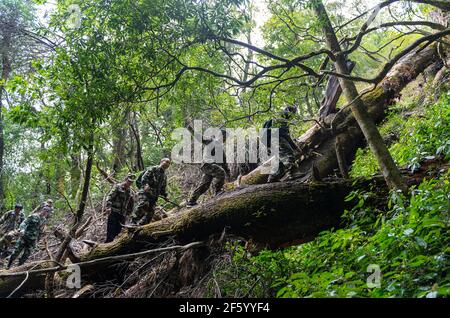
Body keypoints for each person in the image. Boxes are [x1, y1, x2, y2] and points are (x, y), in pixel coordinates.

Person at [186, 130, 230, 207]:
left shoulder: (221, 149)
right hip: (207, 164)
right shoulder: (211, 141)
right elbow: (201, 138)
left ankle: (191, 201)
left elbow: (224, 162)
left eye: (226, 138)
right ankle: (218, 191)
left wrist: (228, 173)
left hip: (211, 168)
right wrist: (191, 130)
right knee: (220, 172)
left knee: (205, 185)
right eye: (224, 137)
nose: (224, 139)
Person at [263, 105, 301, 183]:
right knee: (289, 155)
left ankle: (272, 177)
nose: (293, 115)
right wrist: (295, 146)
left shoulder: (277, 116)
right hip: (277, 138)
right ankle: (292, 173)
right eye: (294, 113)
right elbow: (285, 134)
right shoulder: (283, 117)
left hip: (270, 140)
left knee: (280, 159)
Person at [132, 158, 171, 225]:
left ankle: (142, 225)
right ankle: (133, 222)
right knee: (144, 204)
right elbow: (144, 178)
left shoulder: (164, 176)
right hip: (145, 192)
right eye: (166, 162)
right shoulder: (153, 169)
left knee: (151, 212)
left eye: (169, 163)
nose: (167, 164)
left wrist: (165, 196)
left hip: (154, 196)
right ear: (161, 161)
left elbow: (163, 188)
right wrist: (146, 185)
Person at [105, 174, 135, 243]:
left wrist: (129, 213)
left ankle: (112, 244)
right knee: (111, 230)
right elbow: (109, 197)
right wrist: (108, 207)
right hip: (114, 211)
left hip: (122, 214)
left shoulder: (130, 191)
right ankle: (108, 244)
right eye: (129, 181)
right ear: (125, 179)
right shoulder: (118, 187)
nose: (129, 183)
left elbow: (131, 203)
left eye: (131, 182)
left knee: (118, 230)